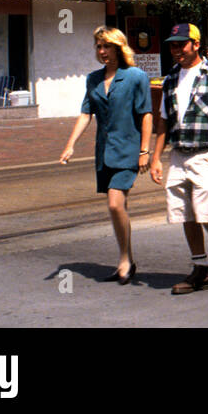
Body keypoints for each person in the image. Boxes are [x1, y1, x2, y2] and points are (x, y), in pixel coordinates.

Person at [149, 23, 208, 294]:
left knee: (206, 211)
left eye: (181, 44)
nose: (176, 49)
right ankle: (200, 270)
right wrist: (156, 158)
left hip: (206, 152)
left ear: (196, 45)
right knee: (185, 213)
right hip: (179, 153)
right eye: (172, 45)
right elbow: (163, 122)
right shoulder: (169, 79)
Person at [59, 27, 152, 285]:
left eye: (106, 47)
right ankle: (127, 258)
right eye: (98, 47)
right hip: (104, 152)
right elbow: (86, 113)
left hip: (128, 150)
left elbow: (146, 114)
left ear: (118, 48)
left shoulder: (136, 77)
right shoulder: (93, 79)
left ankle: (125, 259)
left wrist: (144, 150)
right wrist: (70, 144)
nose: (102, 52)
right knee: (119, 206)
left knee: (114, 204)